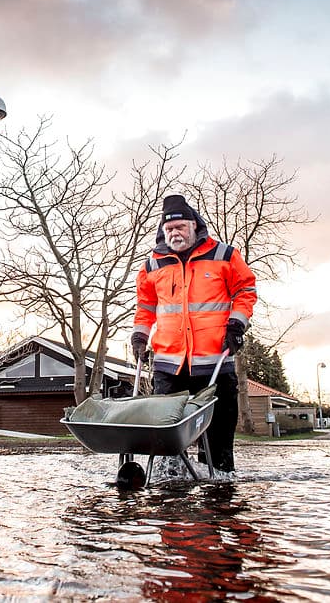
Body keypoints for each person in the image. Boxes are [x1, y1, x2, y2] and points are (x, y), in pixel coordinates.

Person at [131, 194, 257, 473]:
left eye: (180, 227)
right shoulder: (152, 265)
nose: (175, 233)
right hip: (169, 367)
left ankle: (219, 486)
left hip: (214, 362)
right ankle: (169, 483)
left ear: (194, 226)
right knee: (166, 441)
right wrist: (140, 336)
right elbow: (145, 307)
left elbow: (245, 291)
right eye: (169, 229)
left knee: (218, 438)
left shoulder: (224, 255)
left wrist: (236, 325)